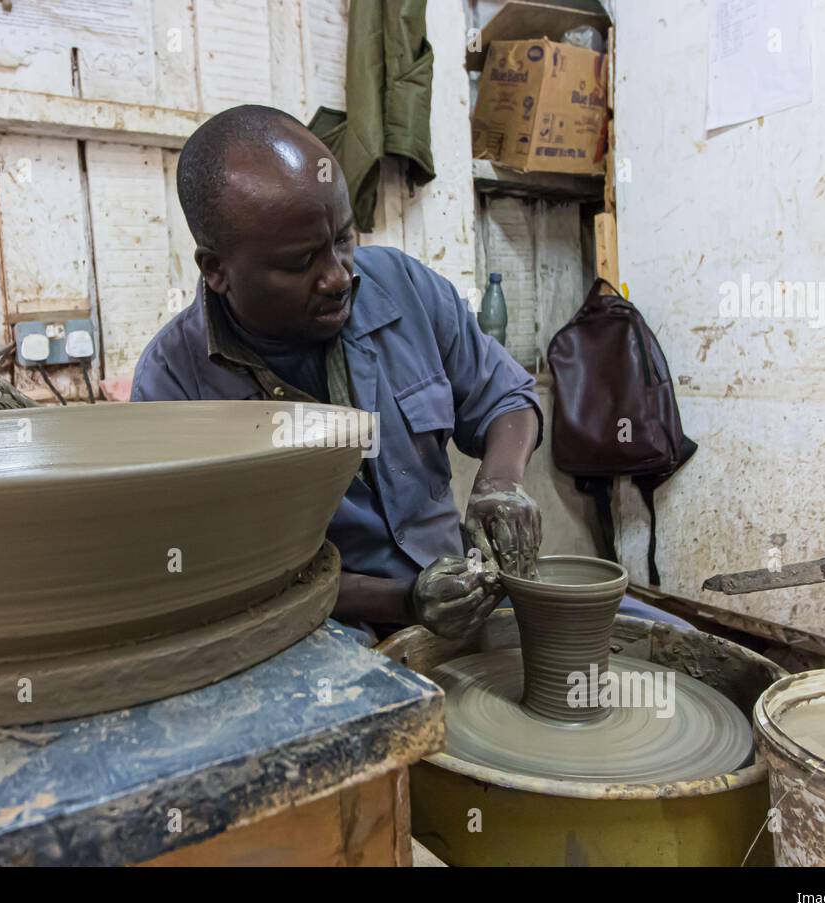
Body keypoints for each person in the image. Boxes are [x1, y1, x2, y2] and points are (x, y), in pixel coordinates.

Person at [132, 105, 685, 641]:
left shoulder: (402, 287)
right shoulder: (172, 386)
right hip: (321, 625)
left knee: (670, 641)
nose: (336, 276)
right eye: (301, 263)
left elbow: (507, 397)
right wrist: (402, 601)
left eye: (343, 240)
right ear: (217, 270)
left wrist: (499, 484)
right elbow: (212, 580)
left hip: (460, 586)